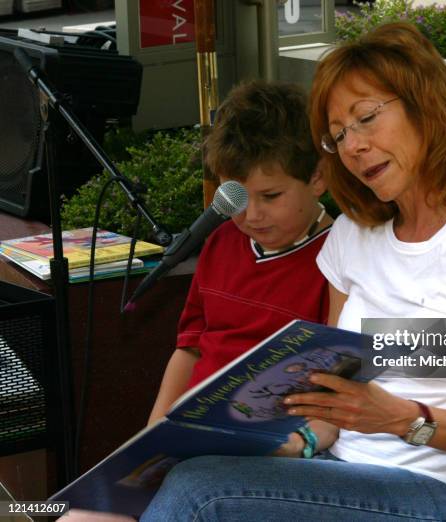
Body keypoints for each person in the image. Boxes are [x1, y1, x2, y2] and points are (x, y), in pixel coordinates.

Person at [141, 22, 446, 522]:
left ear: (426, 107)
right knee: (191, 469)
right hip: (338, 472)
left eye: (366, 118)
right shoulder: (354, 237)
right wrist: (285, 441)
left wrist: (405, 420)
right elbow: (330, 395)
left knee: (200, 492)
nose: (353, 146)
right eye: (338, 135)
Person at [59, 80, 333, 521]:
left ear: (317, 177)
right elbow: (190, 348)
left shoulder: (335, 260)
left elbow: (344, 383)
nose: (251, 215)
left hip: (272, 450)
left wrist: (302, 442)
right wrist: (150, 440)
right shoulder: (222, 241)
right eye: (237, 198)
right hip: (192, 440)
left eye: (271, 196)